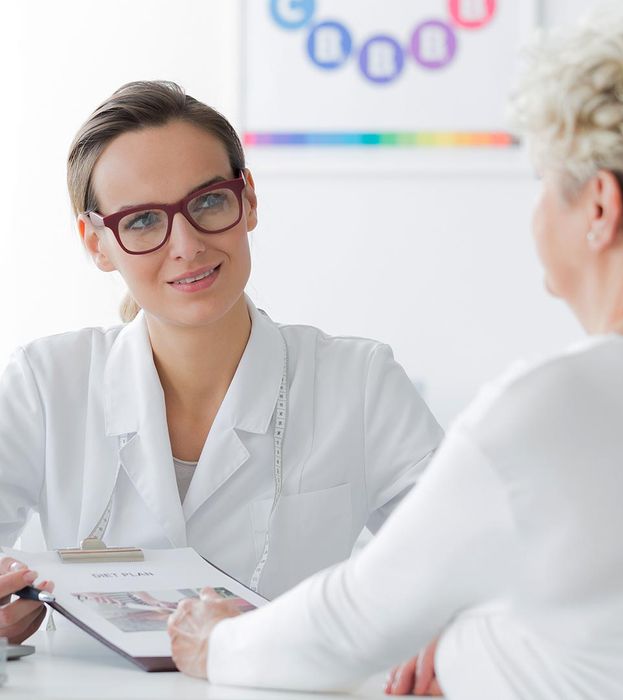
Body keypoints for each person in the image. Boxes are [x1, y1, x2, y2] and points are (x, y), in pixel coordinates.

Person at [168, 3, 623, 697]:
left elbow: (352, 623)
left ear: (599, 207)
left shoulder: (555, 409)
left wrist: (214, 640)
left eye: (545, 184)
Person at [0, 82, 443, 641]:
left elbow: (464, 558)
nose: (186, 244)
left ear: (248, 200)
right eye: (141, 221)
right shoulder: (45, 383)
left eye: (208, 202)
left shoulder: (358, 382)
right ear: (96, 243)